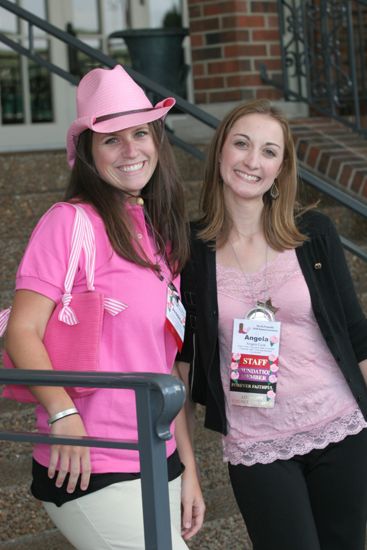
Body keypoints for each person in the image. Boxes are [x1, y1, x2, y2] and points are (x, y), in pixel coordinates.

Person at [3, 64, 205, 550]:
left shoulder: (159, 235)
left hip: (160, 458)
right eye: (111, 139)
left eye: (140, 133)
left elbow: (164, 369)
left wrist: (191, 469)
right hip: (91, 459)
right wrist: (61, 414)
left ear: (158, 141)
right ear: (89, 155)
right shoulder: (68, 222)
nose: (131, 150)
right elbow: (22, 330)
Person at [176, 98, 367, 550]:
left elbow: (358, 337)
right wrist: (188, 470)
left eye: (268, 151)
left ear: (281, 168)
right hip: (257, 443)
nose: (252, 161)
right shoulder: (189, 251)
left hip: (340, 425)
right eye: (241, 144)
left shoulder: (313, 232)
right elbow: (179, 368)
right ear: (221, 151)